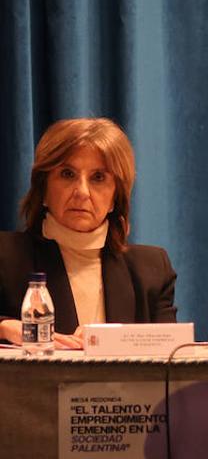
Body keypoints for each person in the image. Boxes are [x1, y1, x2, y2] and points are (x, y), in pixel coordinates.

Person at [0, 118, 177, 347]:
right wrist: (4, 328)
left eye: (98, 178)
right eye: (67, 174)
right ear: (43, 189)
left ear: (115, 198)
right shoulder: (5, 257)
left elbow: (173, 362)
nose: (82, 192)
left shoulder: (152, 270)